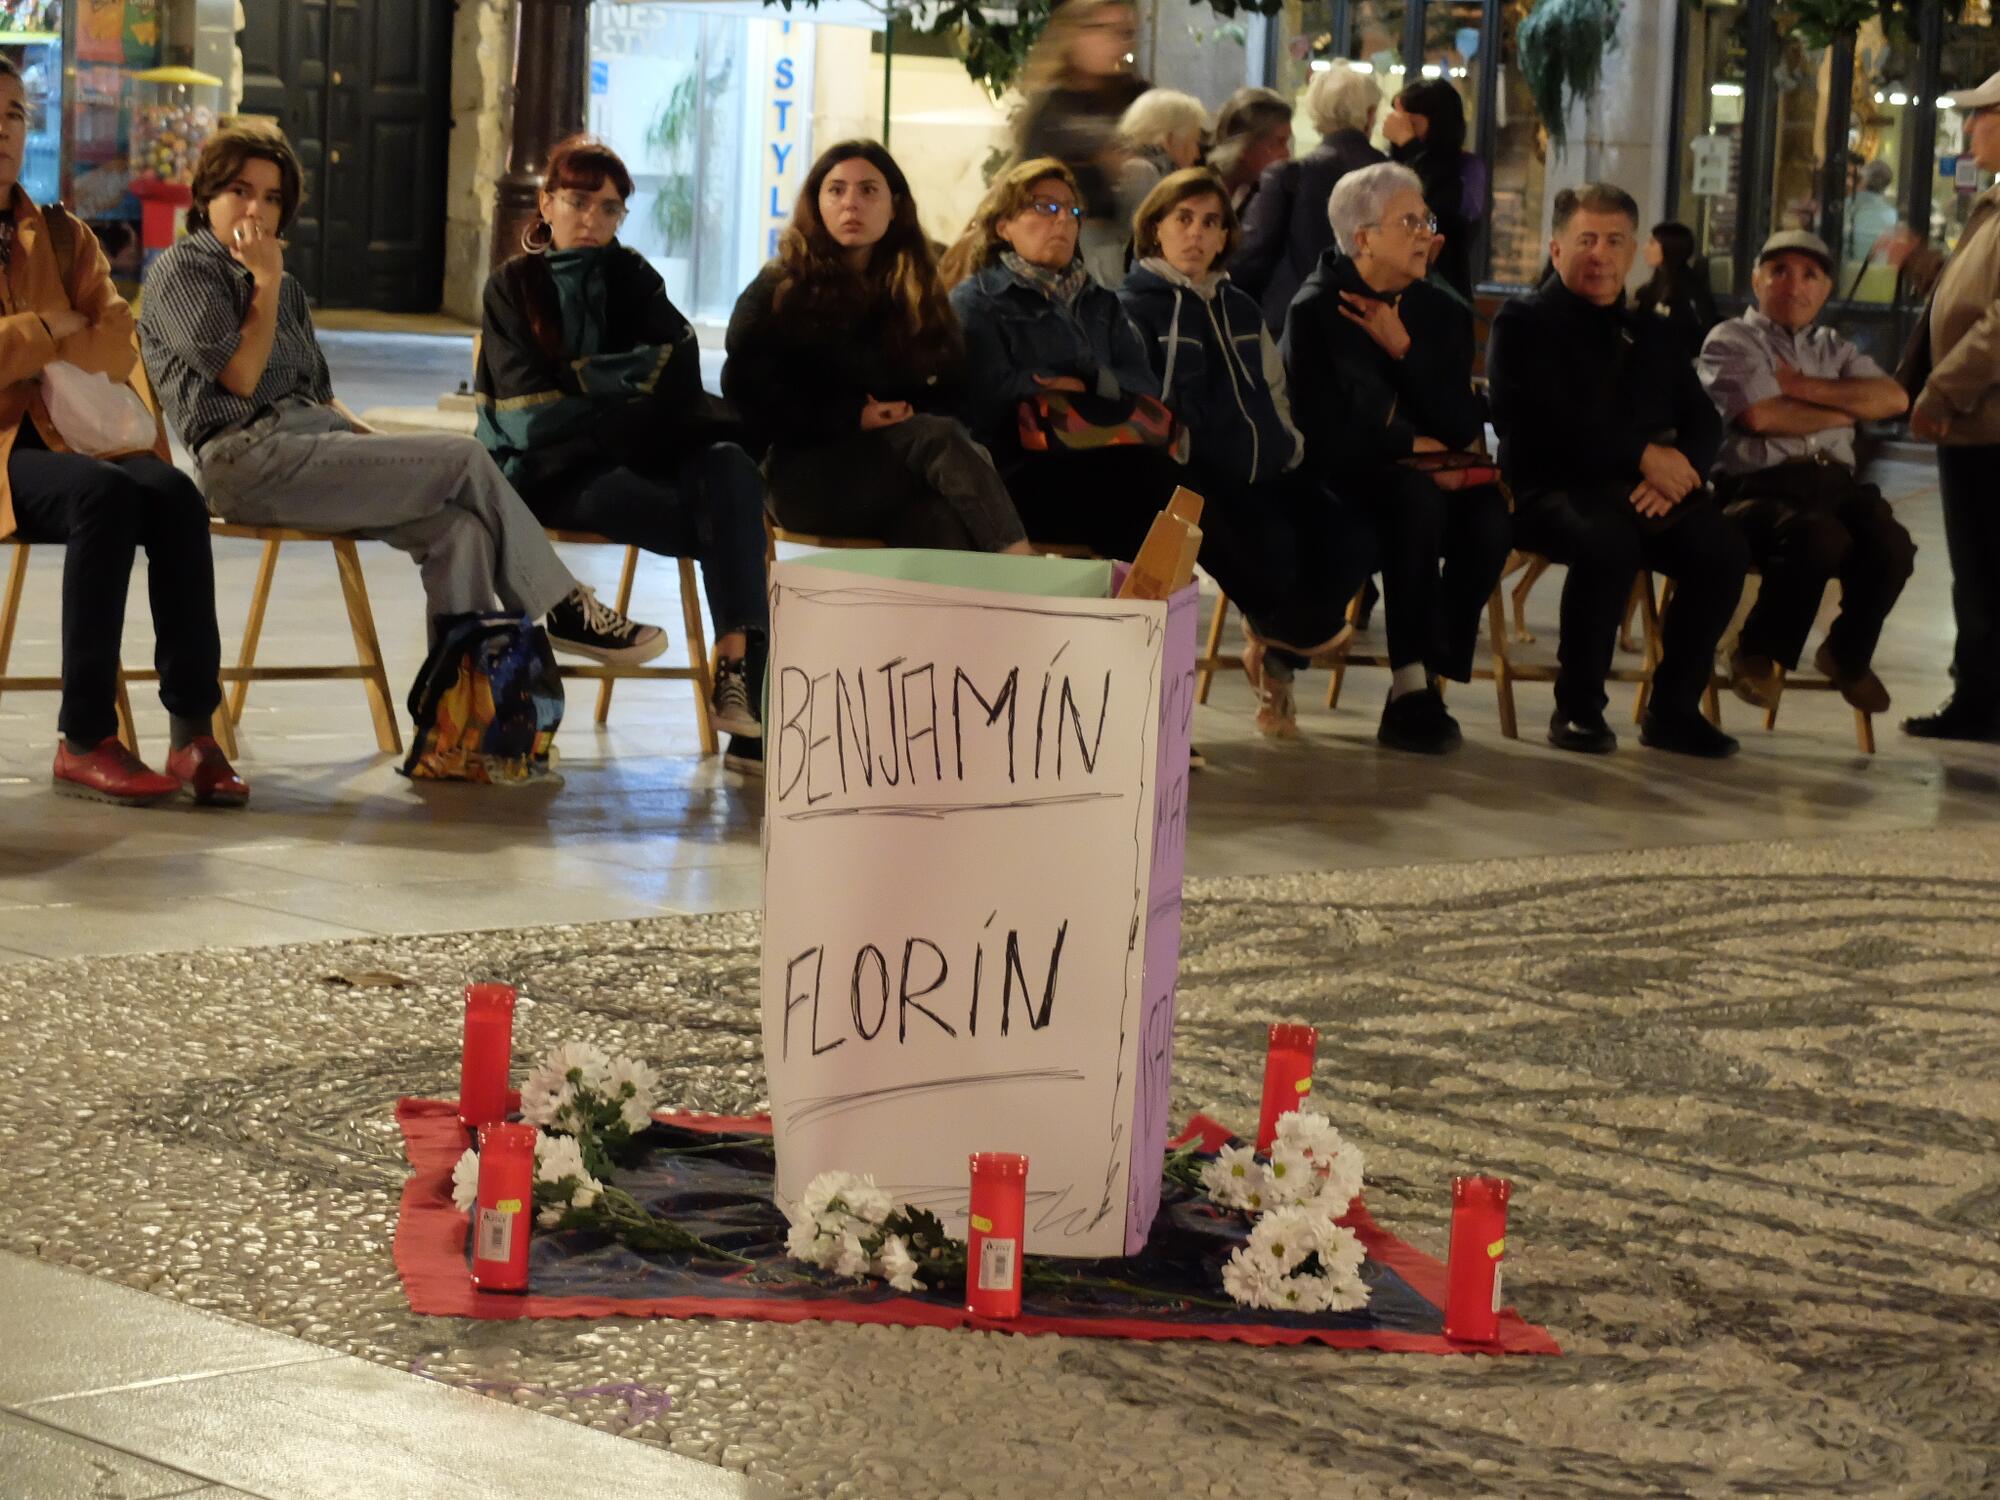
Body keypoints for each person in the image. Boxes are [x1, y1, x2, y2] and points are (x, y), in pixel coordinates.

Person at [140, 128, 665, 685]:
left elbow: (321, 398)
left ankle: (465, 711)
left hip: (313, 445)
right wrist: (264, 281)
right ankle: (564, 606)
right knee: (465, 457)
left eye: (272, 198)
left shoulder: (283, 286)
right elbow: (242, 378)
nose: (257, 210)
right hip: (244, 460)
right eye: (241, 192)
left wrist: (388, 449)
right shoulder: (185, 270)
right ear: (207, 197)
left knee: (461, 531)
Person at [477, 134, 770, 768]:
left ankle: (736, 669)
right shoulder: (513, 287)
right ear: (547, 204)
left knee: (731, 466)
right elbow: (527, 416)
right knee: (729, 521)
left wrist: (578, 380)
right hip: (552, 472)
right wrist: (622, 389)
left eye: (609, 208)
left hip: (637, 451)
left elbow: (677, 374)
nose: (593, 219)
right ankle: (753, 722)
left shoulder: (634, 277)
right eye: (578, 202)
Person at [0, 58, 243, 806]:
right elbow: (69, 334)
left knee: (173, 493)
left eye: (13, 115)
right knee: (102, 495)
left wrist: (32, 341)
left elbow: (113, 340)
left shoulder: (62, 235)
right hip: (5, 447)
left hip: (71, 433)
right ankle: (83, 739)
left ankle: (192, 732)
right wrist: (48, 328)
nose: (2, 130)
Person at [1486, 181, 1748, 758]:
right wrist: (1640, 457)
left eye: (1614, 240)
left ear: (1633, 252)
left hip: (1645, 490)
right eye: (1586, 240)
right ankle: (1578, 709)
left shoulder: (1653, 330)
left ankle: (1673, 711)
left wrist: (1682, 470)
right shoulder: (1523, 322)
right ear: (1557, 248)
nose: (1600, 254)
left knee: (1722, 549)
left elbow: (1703, 417)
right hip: (1548, 486)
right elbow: (1533, 419)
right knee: (1608, 541)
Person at [1118, 168, 1369, 736]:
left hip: (1264, 461)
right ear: (1155, 228)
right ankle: (1285, 635)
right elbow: (1140, 397)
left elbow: (1273, 385)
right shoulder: (1134, 306)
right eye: (1183, 219)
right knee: (1266, 541)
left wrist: (1289, 442)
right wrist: (1183, 443)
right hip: (1192, 467)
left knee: (1350, 530)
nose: (1197, 234)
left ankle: (1281, 639)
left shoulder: (1240, 307)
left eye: (1211, 223)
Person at [1283, 162, 1511, 754]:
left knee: (1489, 517)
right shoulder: (1315, 310)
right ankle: (1410, 686)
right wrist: (1410, 446)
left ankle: (1429, 674)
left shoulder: (1436, 308)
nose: (1426, 234)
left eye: (1427, 220)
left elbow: (1461, 424)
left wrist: (1404, 348)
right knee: (1415, 501)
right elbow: (1321, 431)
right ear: (1362, 238)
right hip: (1343, 480)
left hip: (1425, 477)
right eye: (1409, 222)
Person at [723, 140, 1030, 560]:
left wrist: (905, 410)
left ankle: (980, 604)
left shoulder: (913, 288)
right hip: (802, 475)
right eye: (836, 190)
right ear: (817, 204)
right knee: (937, 437)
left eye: (868, 190)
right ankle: (1021, 567)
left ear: (894, 206)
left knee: (937, 519)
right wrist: (853, 415)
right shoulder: (782, 289)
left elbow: (951, 384)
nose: (851, 203)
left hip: (893, 468)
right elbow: (748, 397)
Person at [1696, 230, 1913, 715]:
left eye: (1809, 275)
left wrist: (1798, 386)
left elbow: (1894, 399)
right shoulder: (1732, 339)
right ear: (1757, 280)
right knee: (1818, 536)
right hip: (1759, 487)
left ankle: (1846, 654)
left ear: (1826, 289)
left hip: (1835, 484)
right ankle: (1756, 651)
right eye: (1780, 271)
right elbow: (1761, 416)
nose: (1794, 285)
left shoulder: (1834, 347)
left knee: (1892, 545)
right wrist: (1847, 410)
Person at [942, 157, 1179, 561]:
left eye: (1072, 210)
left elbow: (1144, 385)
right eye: (1045, 207)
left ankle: (1140, 595)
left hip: (1103, 451)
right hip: (1019, 467)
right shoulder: (978, 299)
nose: (1063, 220)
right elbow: (984, 393)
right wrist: (1051, 386)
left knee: (1169, 485)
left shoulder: (1099, 299)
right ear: (1004, 226)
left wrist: (1085, 381)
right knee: (1146, 486)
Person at [1901, 70, 2000, 741]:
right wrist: (1926, 269)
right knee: (1979, 568)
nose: (1968, 128)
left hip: (1986, 421)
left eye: (1981, 114)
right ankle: (1979, 694)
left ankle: (1981, 702)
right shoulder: (1991, 203)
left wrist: (1942, 390)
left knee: (1986, 566)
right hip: (1976, 421)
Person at [1233, 67, 1384, 332]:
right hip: (1373, 324)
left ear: (1314, 112)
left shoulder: (1290, 175)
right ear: (1370, 114)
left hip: (1295, 323)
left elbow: (1251, 255)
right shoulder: (1396, 178)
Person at [1013, 0, 1149, 285]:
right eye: (1101, 28)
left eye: (1124, 32)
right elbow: (1027, 182)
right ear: (1072, 34)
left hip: (1134, 244)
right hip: (1065, 241)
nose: (1115, 41)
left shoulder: (1140, 98)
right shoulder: (1051, 106)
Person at [1381, 80, 1473, 301]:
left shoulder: (1461, 171)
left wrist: (1409, 144)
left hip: (1438, 294)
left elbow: (1431, 217)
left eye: (1412, 124)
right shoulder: (1393, 169)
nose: (1402, 130)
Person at [1114, 89, 1208, 231]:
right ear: (1169, 139)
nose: (1197, 154)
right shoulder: (1142, 171)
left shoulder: (1145, 168)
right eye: (1193, 141)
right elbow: (1141, 233)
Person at [1635, 221, 1719, 363]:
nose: (1645, 248)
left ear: (1669, 247)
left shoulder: (1689, 289)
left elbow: (1697, 334)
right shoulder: (1651, 288)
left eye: (1652, 243)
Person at [1206, 86, 1293, 214]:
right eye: (1279, 142)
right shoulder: (1196, 196)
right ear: (1244, 145)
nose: (1287, 154)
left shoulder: (1266, 199)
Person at [1844, 158, 1899, 267]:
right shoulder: (1891, 214)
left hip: (1847, 271)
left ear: (1864, 180)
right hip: (1879, 273)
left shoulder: (1848, 205)